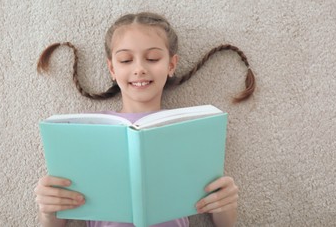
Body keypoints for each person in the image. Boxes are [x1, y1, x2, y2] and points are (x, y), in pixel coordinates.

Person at [34, 12, 255, 227]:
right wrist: (49, 207)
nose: (139, 69)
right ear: (112, 68)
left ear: (171, 64)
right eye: (126, 60)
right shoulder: (90, 129)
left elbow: (223, 221)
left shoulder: (190, 127)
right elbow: (57, 220)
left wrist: (226, 201)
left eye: (152, 58)